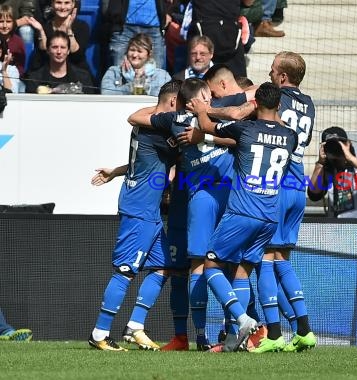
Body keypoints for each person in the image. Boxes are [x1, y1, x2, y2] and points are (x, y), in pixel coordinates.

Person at [127, 77, 240, 352]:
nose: (211, 98)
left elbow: (238, 125)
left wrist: (204, 121)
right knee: (188, 269)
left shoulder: (204, 118)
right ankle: (191, 336)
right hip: (193, 199)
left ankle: (228, 331)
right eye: (206, 95)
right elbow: (134, 117)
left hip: (212, 196)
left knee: (212, 266)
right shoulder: (178, 119)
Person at [188, 81, 298, 352]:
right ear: (279, 105)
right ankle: (234, 340)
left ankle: (242, 318)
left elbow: (206, 126)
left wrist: (203, 109)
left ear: (255, 104)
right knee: (242, 271)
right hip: (270, 216)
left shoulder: (246, 128)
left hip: (242, 211)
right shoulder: (290, 135)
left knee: (211, 264)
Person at [88, 80, 181, 352]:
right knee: (126, 270)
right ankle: (100, 333)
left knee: (164, 266)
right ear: (173, 102)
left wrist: (115, 171)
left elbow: (144, 161)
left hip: (147, 210)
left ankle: (135, 327)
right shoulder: (160, 131)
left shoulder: (150, 124)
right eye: (183, 104)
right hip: (139, 208)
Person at [256, 51, 316, 353]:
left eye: (272, 70)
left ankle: (275, 334)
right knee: (282, 259)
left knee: (264, 259)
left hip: (277, 187)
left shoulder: (278, 99)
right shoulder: (310, 103)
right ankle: (303, 330)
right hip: (298, 186)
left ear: (282, 77)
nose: (269, 73)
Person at [188, 0, 254, 78]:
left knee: (196, 84)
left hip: (205, 30)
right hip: (229, 32)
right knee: (238, 83)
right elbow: (248, 2)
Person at [27, 0, 92, 76]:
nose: (62, 7)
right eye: (59, 2)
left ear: (73, 4)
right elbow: (44, 53)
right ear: (52, 4)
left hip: (75, 72)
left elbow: (77, 56)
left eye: (67, 3)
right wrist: (41, 31)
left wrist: (69, 30)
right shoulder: (45, 26)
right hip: (49, 72)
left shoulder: (82, 26)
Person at [100, 0, 167, 70]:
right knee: (118, 71)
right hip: (123, 28)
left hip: (155, 27)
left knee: (157, 72)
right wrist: (114, 15)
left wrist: (167, 14)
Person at [23, 30, 94, 93]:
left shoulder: (83, 78)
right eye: (55, 47)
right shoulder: (34, 79)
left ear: (68, 51)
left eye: (63, 47)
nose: (59, 51)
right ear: (48, 50)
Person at [100, 33, 171, 96]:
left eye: (139, 51)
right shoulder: (114, 71)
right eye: (132, 50)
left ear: (149, 54)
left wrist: (144, 85)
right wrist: (132, 86)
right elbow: (105, 93)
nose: (134, 55)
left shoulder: (161, 75)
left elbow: (165, 96)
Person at [0, 4, 26, 75]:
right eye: (1, 21)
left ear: (13, 23)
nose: (5, 26)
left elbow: (20, 68)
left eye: (8, 22)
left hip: (11, 76)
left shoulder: (18, 42)